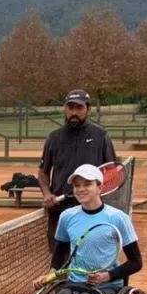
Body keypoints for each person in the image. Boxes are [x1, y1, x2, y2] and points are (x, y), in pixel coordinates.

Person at [34, 163, 143, 294]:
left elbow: (136, 262)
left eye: (87, 184)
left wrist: (107, 276)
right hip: (76, 282)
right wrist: (51, 273)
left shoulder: (118, 218)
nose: (81, 189)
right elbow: (59, 252)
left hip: (109, 287)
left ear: (99, 187)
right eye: (77, 185)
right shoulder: (67, 217)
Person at [37, 89, 118, 253]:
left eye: (79, 108)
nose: (74, 112)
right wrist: (47, 193)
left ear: (87, 109)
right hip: (60, 210)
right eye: (70, 107)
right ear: (65, 109)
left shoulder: (101, 136)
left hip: (92, 210)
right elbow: (43, 172)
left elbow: (112, 171)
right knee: (59, 260)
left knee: (91, 256)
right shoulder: (54, 138)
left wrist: (95, 194)